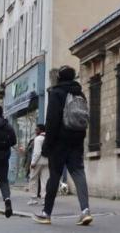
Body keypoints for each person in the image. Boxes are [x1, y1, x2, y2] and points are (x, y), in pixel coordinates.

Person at [33, 66, 92, 226]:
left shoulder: (56, 93)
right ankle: (85, 211)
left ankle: (46, 213)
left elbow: (52, 121)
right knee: (79, 173)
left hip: (59, 142)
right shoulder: (80, 93)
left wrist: (47, 145)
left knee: (54, 176)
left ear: (59, 77)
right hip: (76, 140)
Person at [27, 124, 48, 205]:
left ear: (41, 130)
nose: (35, 131)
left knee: (33, 179)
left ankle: (33, 198)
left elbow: (37, 152)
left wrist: (33, 163)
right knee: (45, 180)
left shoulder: (38, 139)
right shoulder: (48, 138)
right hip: (47, 161)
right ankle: (44, 199)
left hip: (38, 161)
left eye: (37, 130)